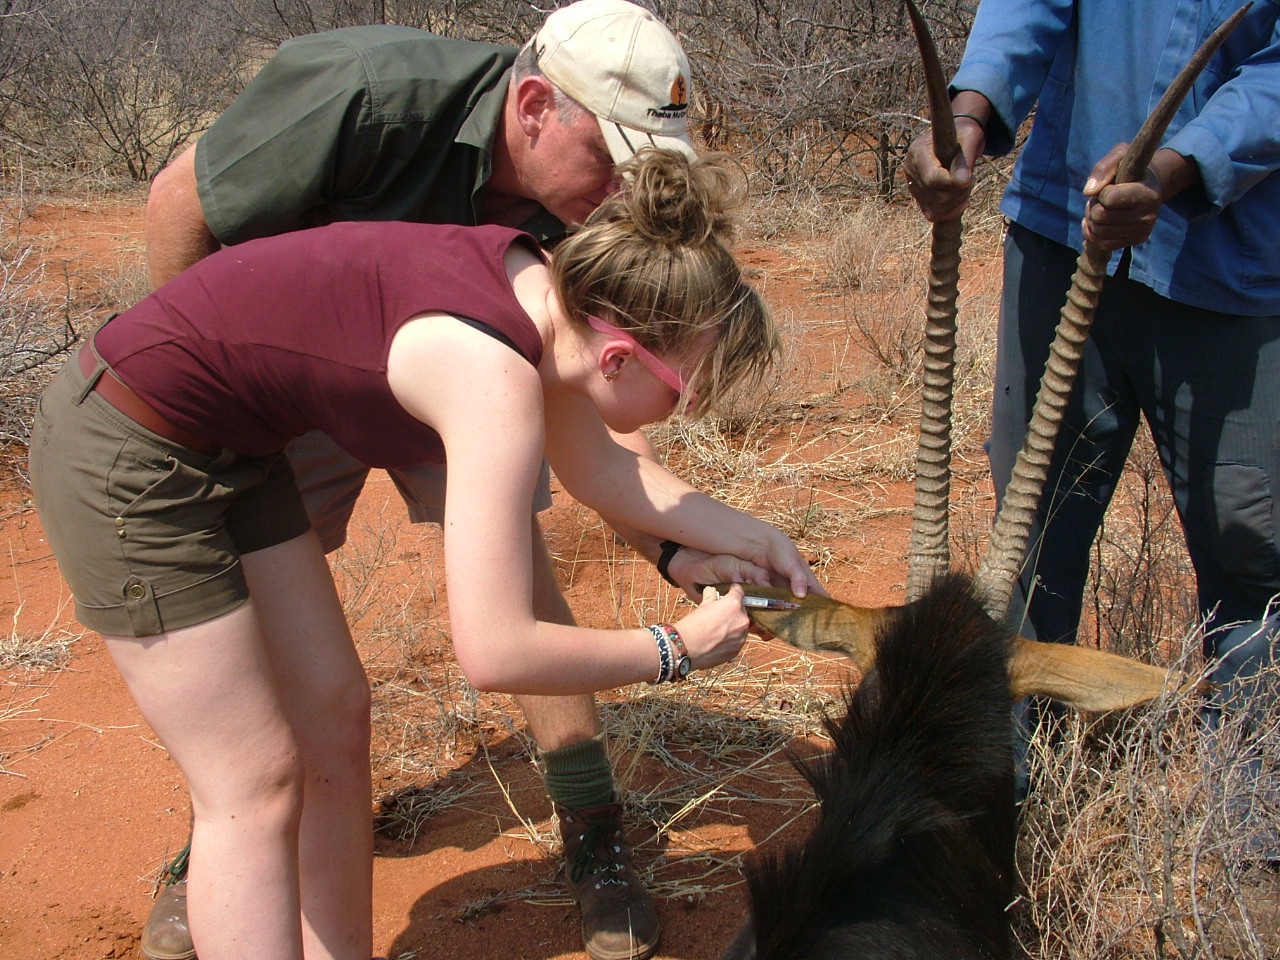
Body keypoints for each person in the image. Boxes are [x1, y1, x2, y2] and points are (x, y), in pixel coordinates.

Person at [29, 148, 819, 960]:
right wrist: (678, 650)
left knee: (333, 717)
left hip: (231, 445)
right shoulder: (491, 377)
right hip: (125, 452)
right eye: (681, 394)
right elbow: (496, 648)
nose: (677, 415)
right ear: (618, 357)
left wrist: (744, 545)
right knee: (252, 783)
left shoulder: (551, 296)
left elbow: (608, 471)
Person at [138, 3, 759, 958]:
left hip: (466, 371)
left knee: (515, 562)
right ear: (540, 105)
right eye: (611, 158)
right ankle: (220, 843)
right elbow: (180, 203)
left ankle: (592, 827)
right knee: (246, 608)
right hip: (291, 370)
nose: (619, 193)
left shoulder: (580, 211)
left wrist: (680, 547)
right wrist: (204, 406)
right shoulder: (369, 95)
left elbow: (592, 433)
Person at [904, 0, 1280, 854]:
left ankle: (1248, 840)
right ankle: (996, 819)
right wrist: (969, 115)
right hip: (1061, 232)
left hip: (1239, 265)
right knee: (1026, 543)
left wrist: (1184, 164)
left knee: (1255, 556)